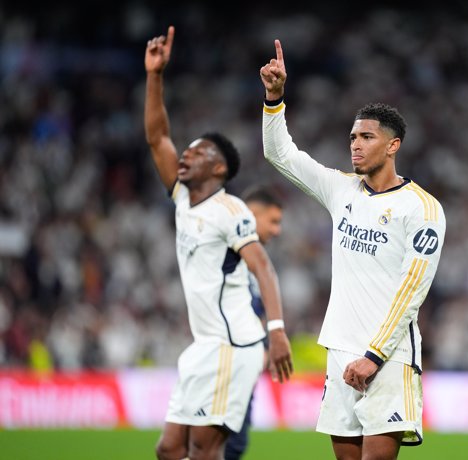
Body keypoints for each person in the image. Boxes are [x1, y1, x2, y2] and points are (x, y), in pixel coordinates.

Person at [260, 40, 446, 459]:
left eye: (367, 137)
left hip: (389, 356)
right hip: (339, 350)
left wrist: (374, 356)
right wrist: (275, 99)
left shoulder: (422, 208)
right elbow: (279, 153)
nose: (355, 145)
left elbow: (412, 290)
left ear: (393, 145)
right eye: (352, 137)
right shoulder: (342, 189)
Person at [145, 26, 293, 460]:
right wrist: (155, 76)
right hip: (203, 347)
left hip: (233, 347)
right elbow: (157, 138)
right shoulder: (182, 199)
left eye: (198, 152)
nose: (186, 155)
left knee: (205, 452)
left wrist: (277, 331)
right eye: (186, 151)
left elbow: (262, 266)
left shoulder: (231, 210)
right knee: (169, 449)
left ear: (219, 168)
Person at [224, 186, 284, 460]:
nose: (277, 230)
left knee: (233, 445)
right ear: (252, 214)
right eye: (273, 221)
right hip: (226, 363)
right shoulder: (227, 252)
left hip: (243, 366)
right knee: (219, 444)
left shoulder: (255, 260)